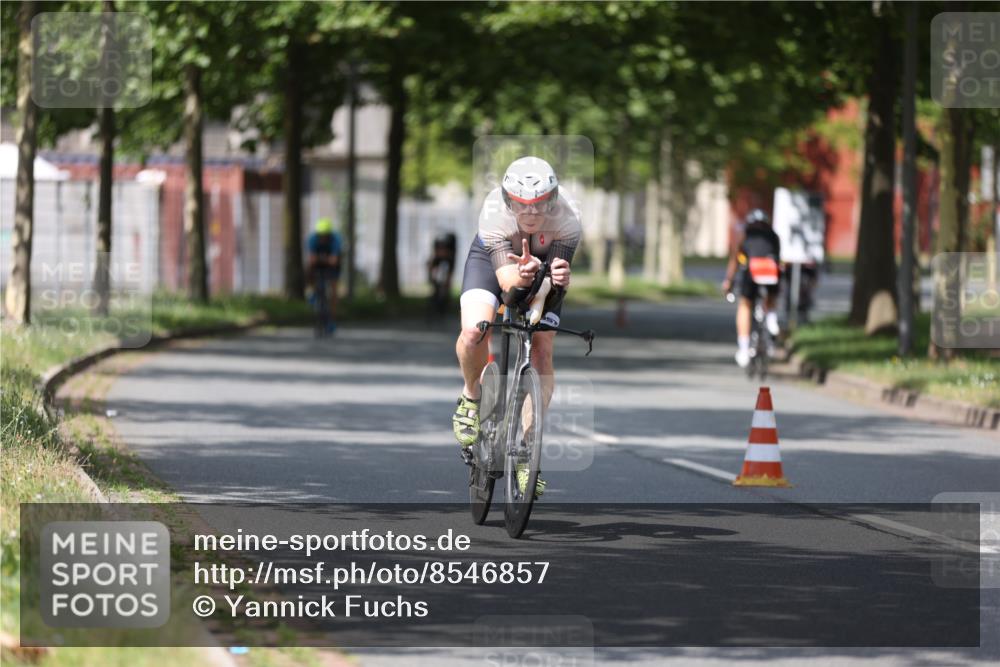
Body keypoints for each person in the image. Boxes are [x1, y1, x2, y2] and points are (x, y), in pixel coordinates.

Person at [452, 156, 581, 498]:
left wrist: (553, 279)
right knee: (473, 331)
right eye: (521, 205)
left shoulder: (569, 218)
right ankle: (471, 396)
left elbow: (552, 283)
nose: (530, 213)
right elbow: (509, 290)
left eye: (539, 205)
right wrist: (522, 276)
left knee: (542, 349)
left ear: (552, 200)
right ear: (508, 200)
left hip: (541, 271)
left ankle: (527, 451)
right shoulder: (494, 212)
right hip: (493, 263)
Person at [722, 208, 781, 368]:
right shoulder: (774, 236)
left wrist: (729, 281)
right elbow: (780, 260)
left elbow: (735, 259)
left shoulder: (745, 234)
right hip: (771, 271)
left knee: (745, 305)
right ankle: (771, 318)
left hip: (751, 272)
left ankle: (743, 348)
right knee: (772, 295)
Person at [306, 217, 342, 335]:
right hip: (318, 265)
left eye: (325, 236)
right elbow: (311, 259)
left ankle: (332, 319)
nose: (323, 238)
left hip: (332, 267)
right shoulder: (312, 239)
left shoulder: (336, 240)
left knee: (333, 289)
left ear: (329, 235)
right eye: (320, 235)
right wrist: (323, 259)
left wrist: (322, 259)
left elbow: (334, 261)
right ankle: (311, 291)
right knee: (308, 269)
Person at [427, 232, 457, 317]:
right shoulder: (436, 257)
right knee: (435, 283)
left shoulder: (450, 257)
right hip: (437, 260)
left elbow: (450, 272)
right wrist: (432, 279)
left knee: (446, 285)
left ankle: (444, 303)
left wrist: (447, 283)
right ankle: (436, 300)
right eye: (439, 250)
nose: (441, 252)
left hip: (449, 258)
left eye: (443, 250)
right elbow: (431, 266)